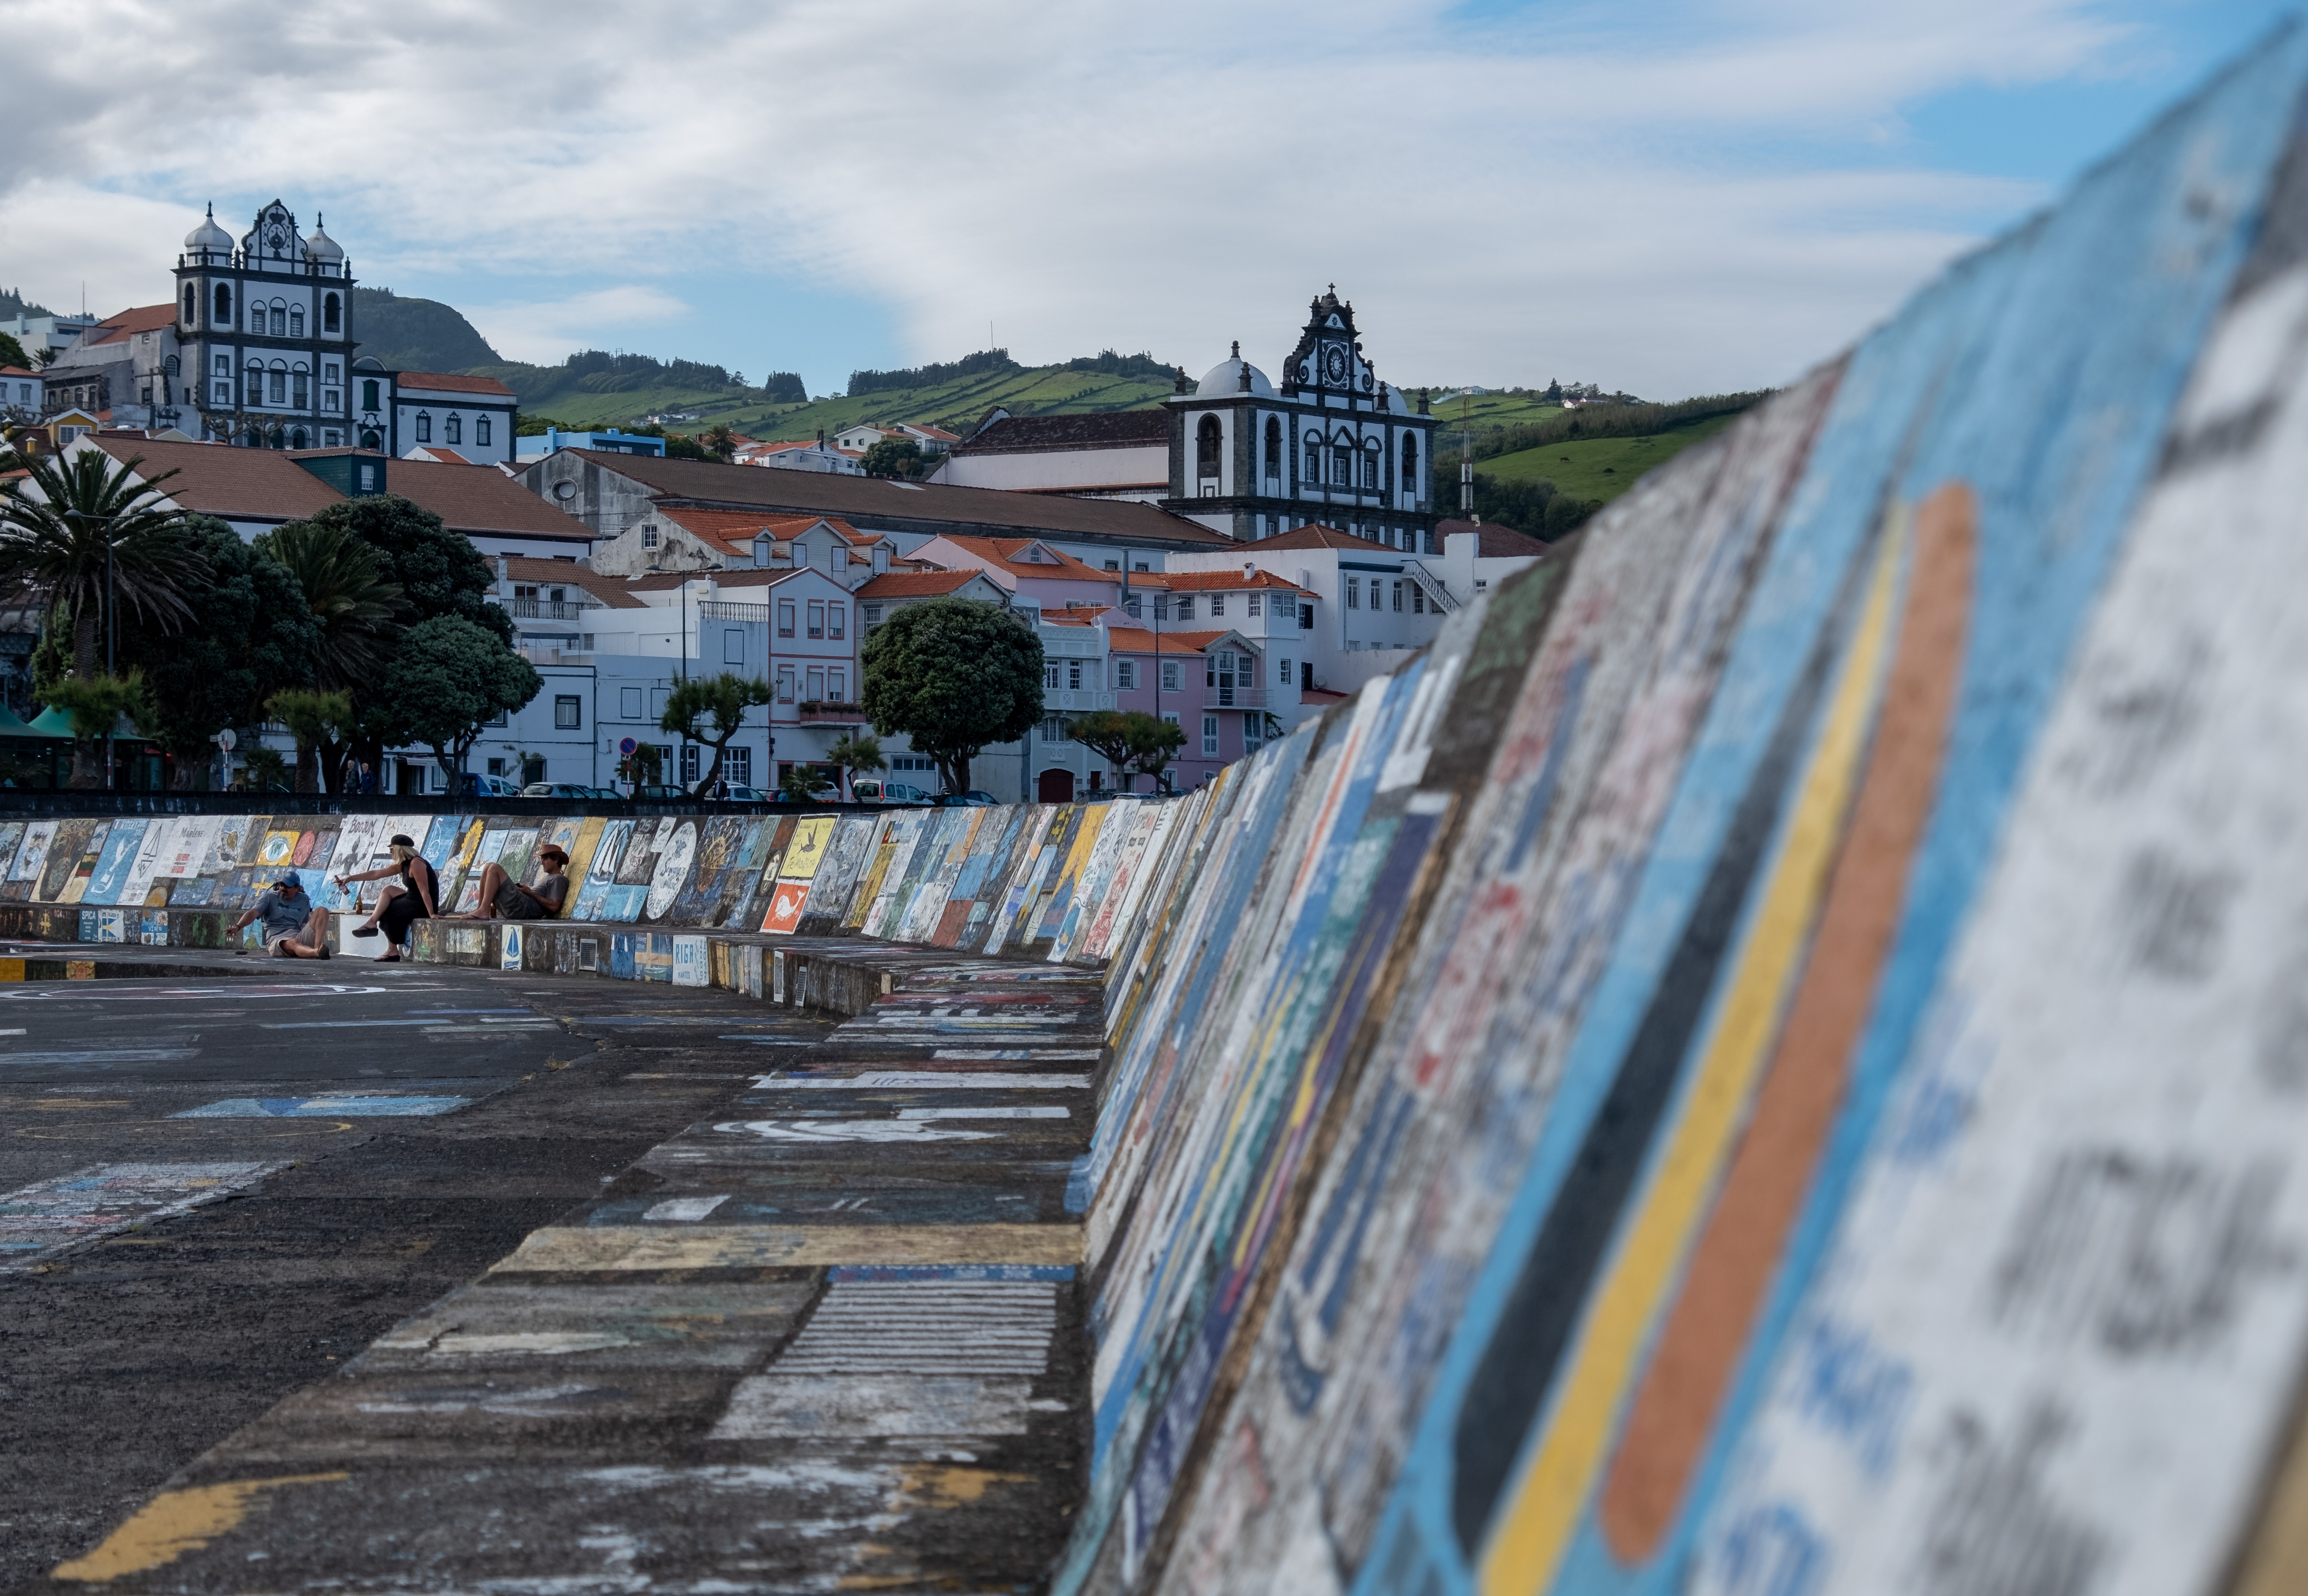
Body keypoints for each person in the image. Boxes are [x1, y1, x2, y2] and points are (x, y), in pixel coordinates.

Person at [338, 834, 438, 963]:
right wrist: (350, 878)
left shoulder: (416, 864)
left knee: (389, 909)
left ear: (400, 849)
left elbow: (425, 891)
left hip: (423, 904)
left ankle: (391, 949)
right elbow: (376, 874)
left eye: (392, 849)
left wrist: (432, 913)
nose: (390, 852)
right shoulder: (403, 864)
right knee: (388, 890)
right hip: (413, 898)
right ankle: (373, 924)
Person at [231, 875, 331, 959]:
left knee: (323, 910)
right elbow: (253, 913)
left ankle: (318, 948)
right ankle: (316, 953)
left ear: (297, 888)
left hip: (297, 935)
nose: (283, 888)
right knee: (294, 942)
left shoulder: (304, 900)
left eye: (288, 887)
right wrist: (238, 927)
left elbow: (305, 923)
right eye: (282, 885)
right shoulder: (269, 897)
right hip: (277, 939)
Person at [461, 845, 569, 922]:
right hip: (521, 905)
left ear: (556, 860)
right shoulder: (549, 878)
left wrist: (530, 893)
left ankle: (484, 911)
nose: (542, 863)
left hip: (523, 908)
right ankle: (481, 909)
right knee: (488, 867)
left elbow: (555, 906)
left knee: (495, 868)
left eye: (545, 859)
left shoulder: (559, 879)